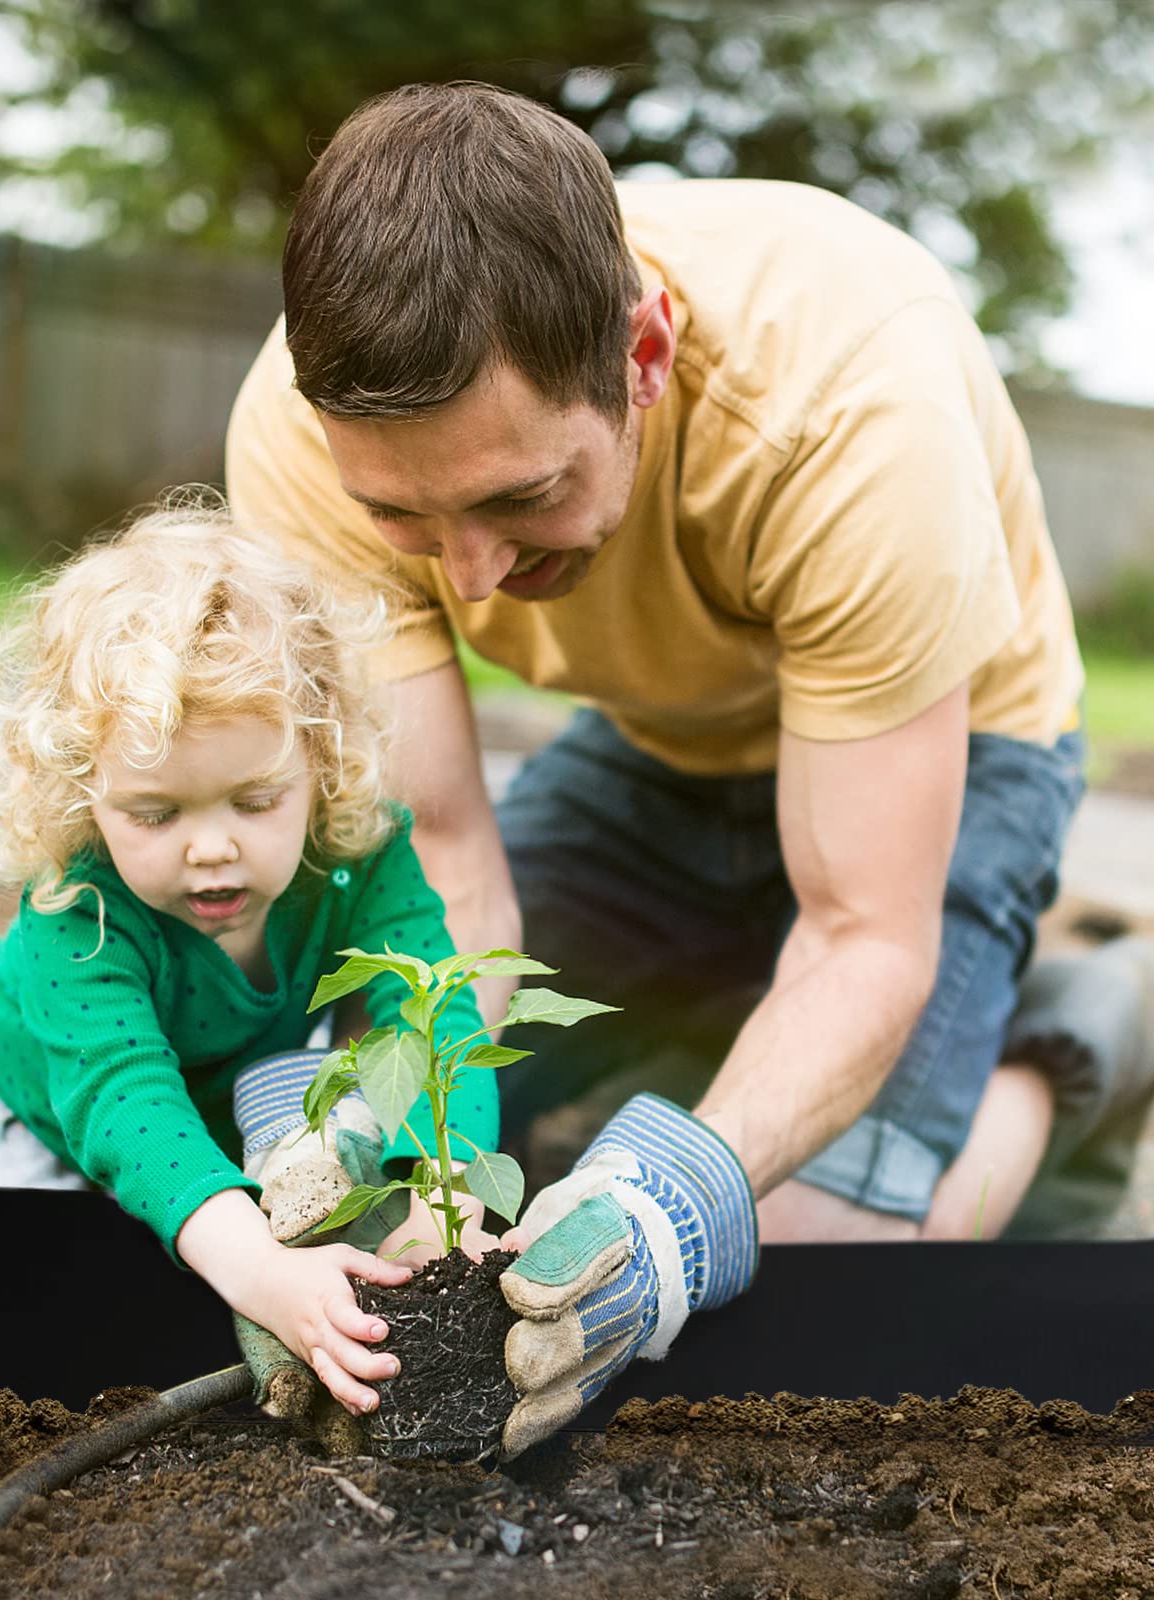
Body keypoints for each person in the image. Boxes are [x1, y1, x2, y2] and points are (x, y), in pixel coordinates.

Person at [226, 82, 1154, 1453]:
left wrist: (673, 1209)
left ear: (645, 351)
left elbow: (859, 934)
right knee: (379, 1160)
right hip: (654, 746)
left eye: (517, 497)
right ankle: (716, 1020)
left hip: (953, 750)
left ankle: (1075, 1043)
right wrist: (388, 1157)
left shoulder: (849, 407)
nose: (474, 576)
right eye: (403, 517)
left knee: (808, 1273)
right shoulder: (301, 442)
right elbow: (453, 870)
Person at [0, 496, 502, 1420]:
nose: (210, 849)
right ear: (82, 792)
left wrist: (447, 1205)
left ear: (319, 761)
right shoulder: (79, 907)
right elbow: (124, 1103)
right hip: (2, 1097)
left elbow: (436, 1014)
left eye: (254, 802)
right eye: (157, 813)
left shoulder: (357, 853)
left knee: (192, 1246)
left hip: (192, 1094)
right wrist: (263, 1275)